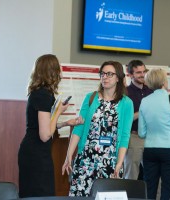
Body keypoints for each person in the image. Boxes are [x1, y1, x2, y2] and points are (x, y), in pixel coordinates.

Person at [62, 61, 134, 197]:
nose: (105, 77)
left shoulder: (126, 103)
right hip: (86, 160)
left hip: (110, 161)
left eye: (109, 74)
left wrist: (119, 163)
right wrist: (69, 155)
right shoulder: (91, 98)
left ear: (118, 77)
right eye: (102, 74)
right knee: (80, 196)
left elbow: (125, 136)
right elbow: (79, 128)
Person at [18, 54, 83, 198]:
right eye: (58, 67)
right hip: (36, 153)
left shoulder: (41, 93)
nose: (61, 71)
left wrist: (66, 123)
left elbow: (43, 125)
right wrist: (59, 112)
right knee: (41, 194)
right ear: (52, 71)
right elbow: (45, 134)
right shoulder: (43, 95)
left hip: (34, 151)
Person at [138, 69, 170, 200]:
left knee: (149, 187)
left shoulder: (145, 101)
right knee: (168, 187)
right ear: (163, 82)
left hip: (150, 149)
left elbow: (141, 133)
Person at [124, 60, 153, 180]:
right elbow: (125, 119)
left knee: (153, 175)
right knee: (131, 175)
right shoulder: (125, 93)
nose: (142, 75)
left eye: (144, 71)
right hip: (134, 138)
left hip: (152, 137)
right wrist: (142, 110)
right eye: (138, 72)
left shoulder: (151, 90)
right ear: (130, 75)